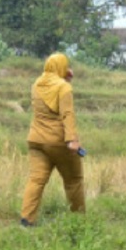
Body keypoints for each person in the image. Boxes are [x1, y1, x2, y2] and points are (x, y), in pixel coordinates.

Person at [20, 53, 85, 226]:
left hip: (36, 140)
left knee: (36, 180)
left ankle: (27, 220)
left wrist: (65, 80)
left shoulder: (36, 84)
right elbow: (67, 114)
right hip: (58, 142)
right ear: (62, 67)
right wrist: (72, 140)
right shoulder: (63, 87)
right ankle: (79, 220)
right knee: (74, 181)